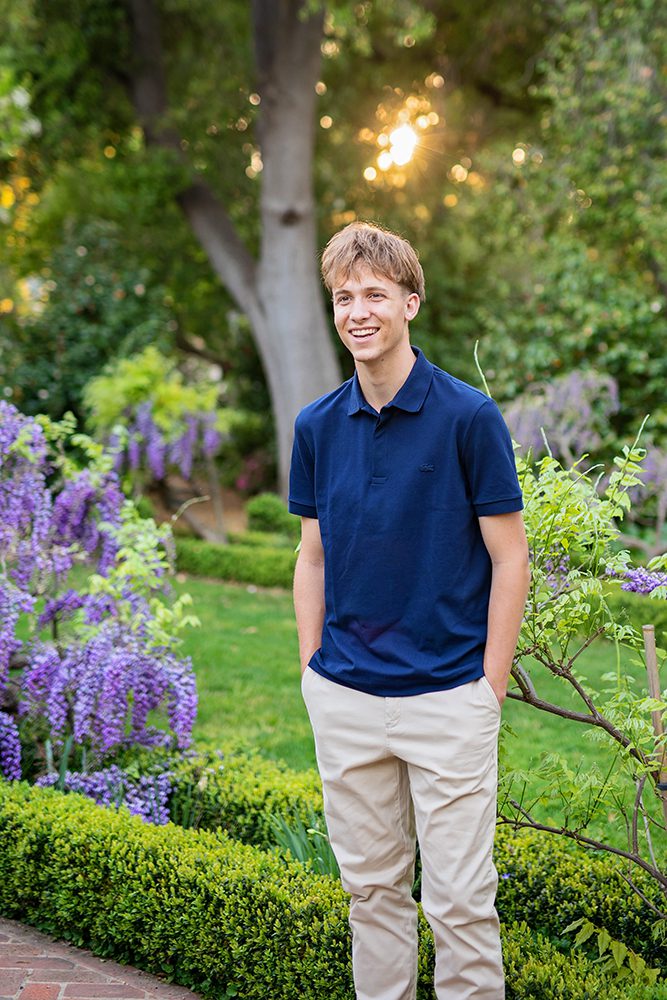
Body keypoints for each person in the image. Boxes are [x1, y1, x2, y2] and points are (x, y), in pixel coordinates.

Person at [289, 221, 530, 1000]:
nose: (357, 311)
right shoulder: (317, 426)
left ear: (410, 303)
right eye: (343, 297)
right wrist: (310, 673)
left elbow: (508, 557)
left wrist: (487, 688)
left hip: (447, 700)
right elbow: (312, 555)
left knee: (460, 905)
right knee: (372, 895)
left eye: (374, 294)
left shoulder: (468, 419)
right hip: (347, 697)